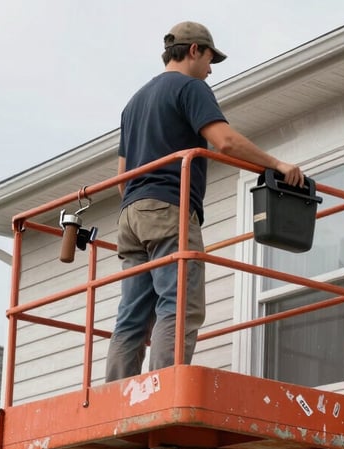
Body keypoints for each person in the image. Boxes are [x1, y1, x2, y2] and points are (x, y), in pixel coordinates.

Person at [105, 21, 304, 382]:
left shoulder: (133, 104)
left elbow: (122, 173)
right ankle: (162, 394)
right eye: (210, 59)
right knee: (179, 306)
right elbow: (225, 141)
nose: (210, 71)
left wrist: (142, 203)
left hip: (130, 215)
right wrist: (277, 164)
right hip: (168, 209)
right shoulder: (190, 87)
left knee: (132, 314)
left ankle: (116, 398)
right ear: (194, 50)